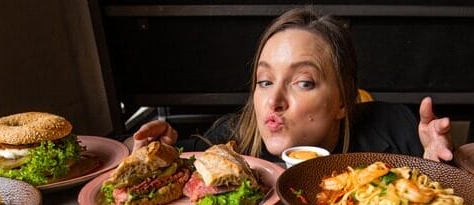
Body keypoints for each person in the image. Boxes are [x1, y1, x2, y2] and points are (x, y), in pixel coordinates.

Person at [133, 7, 454, 162]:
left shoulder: (398, 128)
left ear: (343, 101)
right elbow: (166, 168)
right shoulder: (225, 144)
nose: (274, 100)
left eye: (302, 82)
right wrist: (154, 156)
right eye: (264, 81)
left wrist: (439, 167)